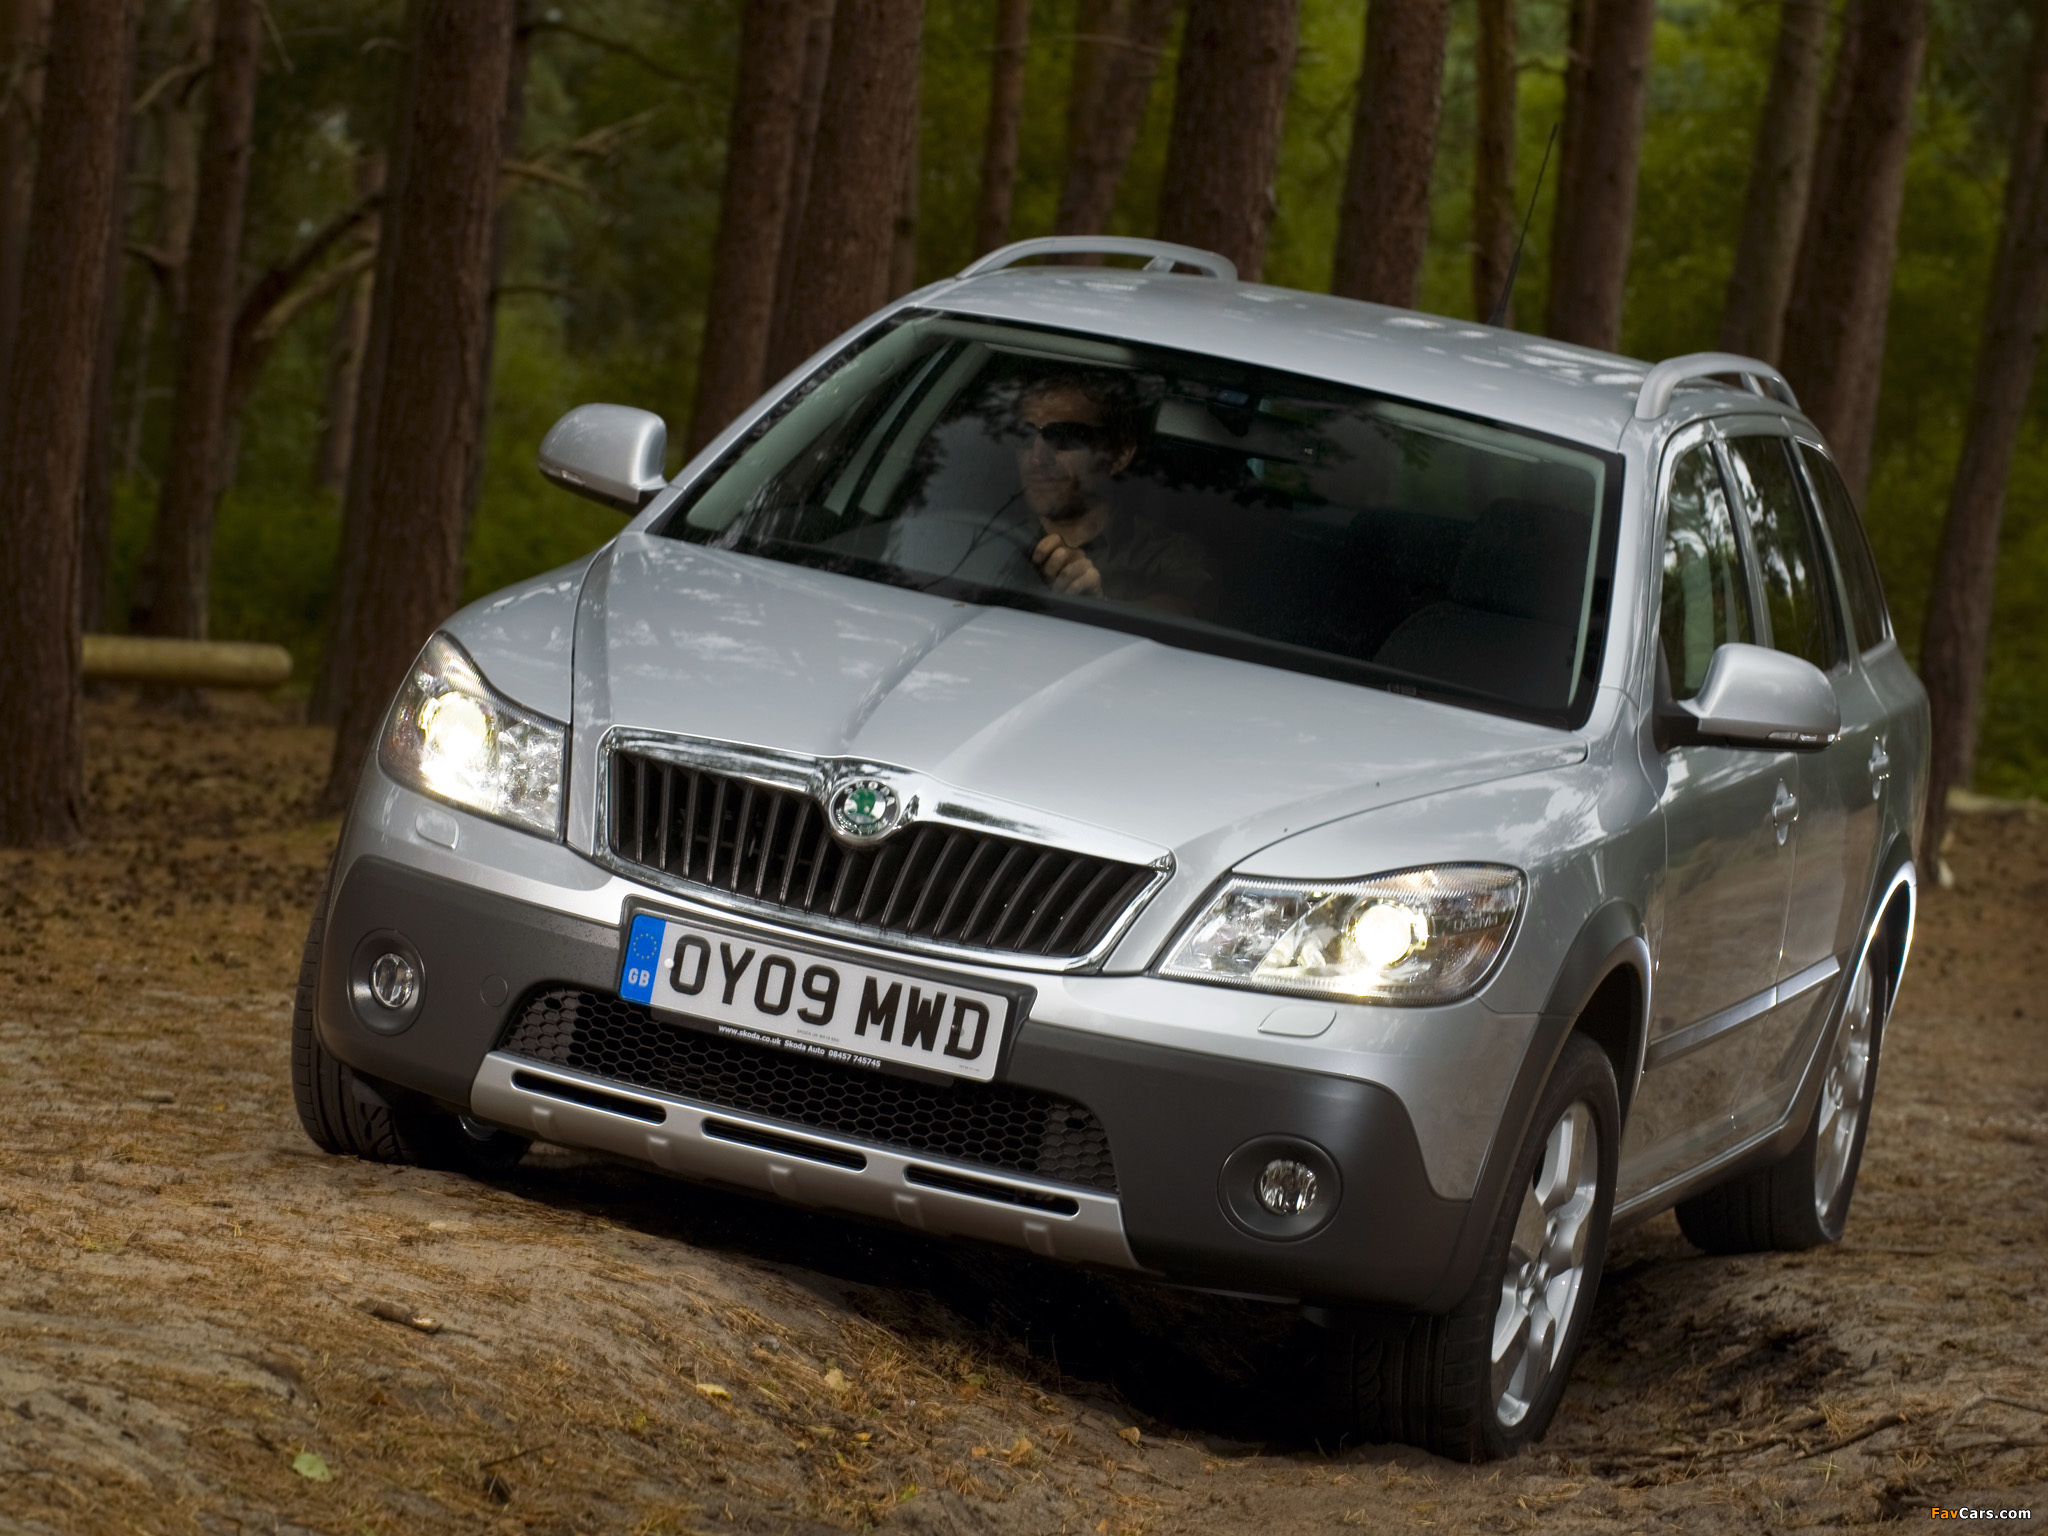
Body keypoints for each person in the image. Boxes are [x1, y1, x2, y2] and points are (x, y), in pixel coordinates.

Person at [1012, 371, 1210, 614]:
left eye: (1064, 436)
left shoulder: (1169, 556)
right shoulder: (990, 534)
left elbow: (1174, 620)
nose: (1036, 458)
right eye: (1024, 434)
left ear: (1118, 456)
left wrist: (1096, 605)